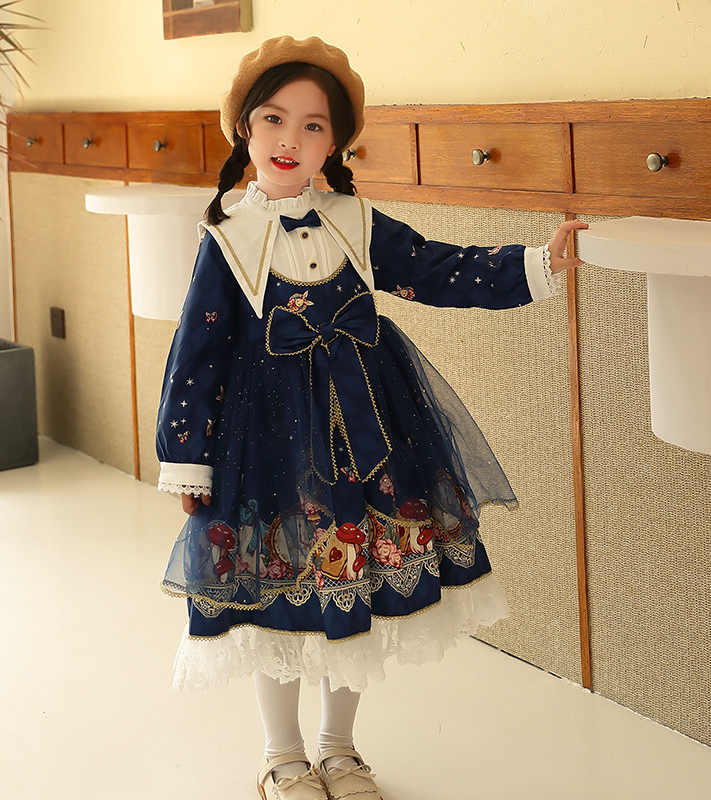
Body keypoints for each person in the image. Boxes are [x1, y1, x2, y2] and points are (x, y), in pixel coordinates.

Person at [155, 35, 587, 800]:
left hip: (365, 434)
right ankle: (282, 756)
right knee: (276, 590)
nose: (290, 139)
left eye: (313, 125)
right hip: (267, 444)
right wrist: (187, 459)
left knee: (357, 578)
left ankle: (339, 749)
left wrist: (534, 263)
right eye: (274, 119)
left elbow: (434, 269)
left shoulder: (355, 220)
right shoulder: (226, 236)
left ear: (336, 142)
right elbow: (196, 354)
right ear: (244, 128)